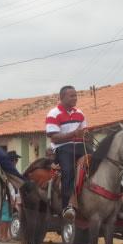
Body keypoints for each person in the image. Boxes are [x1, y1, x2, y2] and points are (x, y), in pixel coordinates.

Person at [45, 85, 87, 220]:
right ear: (62, 97)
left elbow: (85, 132)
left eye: (76, 95)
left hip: (80, 146)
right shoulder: (53, 113)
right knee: (68, 171)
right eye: (72, 96)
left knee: (100, 160)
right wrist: (74, 133)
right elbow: (54, 138)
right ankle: (66, 207)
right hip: (62, 147)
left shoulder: (80, 113)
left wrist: (85, 135)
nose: (75, 98)